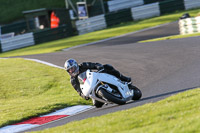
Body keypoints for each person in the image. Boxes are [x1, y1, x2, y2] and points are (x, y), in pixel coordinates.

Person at [64, 58, 131, 100]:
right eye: (69, 70)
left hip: (95, 78)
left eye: (72, 68)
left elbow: (95, 65)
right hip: (91, 90)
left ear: (76, 66)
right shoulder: (73, 80)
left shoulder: (83, 65)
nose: (71, 71)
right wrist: (85, 96)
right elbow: (79, 91)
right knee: (97, 105)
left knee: (107, 67)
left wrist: (100, 67)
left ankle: (122, 78)